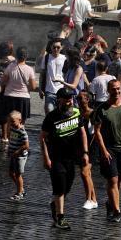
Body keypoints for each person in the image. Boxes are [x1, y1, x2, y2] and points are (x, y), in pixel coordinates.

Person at [40, 87, 88, 229]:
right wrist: (46, 158)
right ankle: (60, 218)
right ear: (59, 100)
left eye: (71, 98)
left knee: (67, 186)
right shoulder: (51, 117)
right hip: (56, 157)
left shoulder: (76, 113)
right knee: (60, 188)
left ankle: (55, 203)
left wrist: (85, 152)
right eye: (67, 99)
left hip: (72, 157)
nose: (70, 101)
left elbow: (83, 133)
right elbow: (42, 138)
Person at [93, 79, 121, 223]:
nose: (117, 91)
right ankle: (117, 211)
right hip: (109, 149)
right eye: (114, 89)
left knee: (118, 181)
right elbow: (97, 132)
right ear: (108, 90)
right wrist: (103, 150)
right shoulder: (102, 109)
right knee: (112, 180)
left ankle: (110, 203)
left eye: (118, 89)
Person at [0, 47, 37, 135]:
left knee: (10, 121)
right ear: (26, 57)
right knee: (21, 122)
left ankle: (9, 140)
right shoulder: (30, 69)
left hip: (10, 96)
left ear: (16, 56)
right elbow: (33, 87)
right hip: (23, 98)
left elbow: (4, 82)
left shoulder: (10, 67)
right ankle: (19, 141)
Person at [76, 91, 99, 209]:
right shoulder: (77, 113)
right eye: (77, 98)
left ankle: (89, 199)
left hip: (91, 147)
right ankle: (94, 199)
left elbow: (96, 133)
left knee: (84, 172)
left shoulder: (93, 113)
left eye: (80, 98)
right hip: (80, 147)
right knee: (87, 174)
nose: (78, 100)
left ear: (87, 100)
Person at [7, 110, 29, 201]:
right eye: (9, 121)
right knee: (11, 173)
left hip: (20, 156)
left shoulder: (22, 132)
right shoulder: (12, 128)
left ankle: (19, 193)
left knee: (18, 174)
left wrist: (17, 151)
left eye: (12, 121)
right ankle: (21, 189)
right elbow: (11, 139)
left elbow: (26, 146)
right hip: (13, 154)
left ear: (19, 120)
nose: (10, 123)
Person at [40, 38, 67, 114]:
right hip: (49, 90)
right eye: (54, 47)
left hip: (61, 90)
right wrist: (40, 89)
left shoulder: (65, 58)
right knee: (49, 110)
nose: (55, 49)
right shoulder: (46, 57)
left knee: (61, 112)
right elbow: (42, 74)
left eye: (58, 47)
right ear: (51, 47)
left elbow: (67, 74)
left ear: (61, 47)